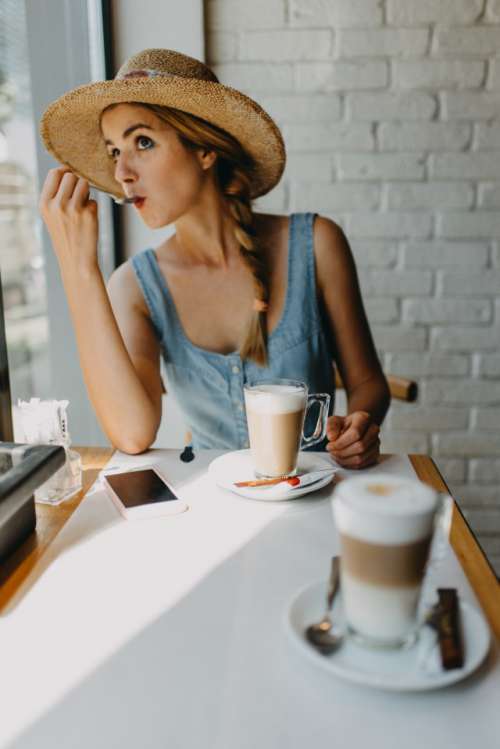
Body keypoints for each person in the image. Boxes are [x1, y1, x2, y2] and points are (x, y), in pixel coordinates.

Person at [39, 48, 390, 469]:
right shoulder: (134, 286)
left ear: (205, 150)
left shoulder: (317, 244)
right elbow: (132, 434)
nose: (122, 173)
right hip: (207, 514)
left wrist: (361, 425)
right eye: (115, 151)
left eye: (143, 142)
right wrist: (79, 268)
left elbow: (369, 383)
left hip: (315, 501)